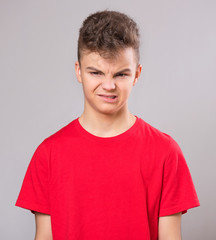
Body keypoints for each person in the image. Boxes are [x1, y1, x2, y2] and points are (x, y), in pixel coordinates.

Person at [16, 10, 200, 240]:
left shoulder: (166, 152)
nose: (109, 85)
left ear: (137, 74)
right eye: (96, 72)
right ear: (79, 71)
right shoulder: (48, 154)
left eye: (121, 74)